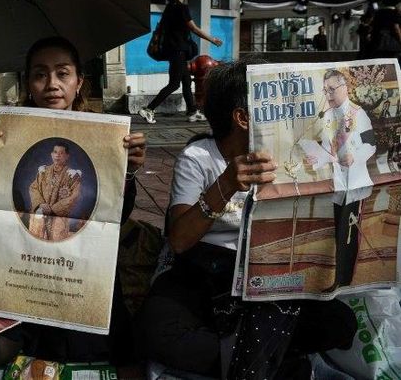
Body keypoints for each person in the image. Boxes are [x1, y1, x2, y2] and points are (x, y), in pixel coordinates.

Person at [135, 60, 356, 379]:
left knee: (340, 325)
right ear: (242, 117)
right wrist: (224, 185)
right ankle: (272, 360)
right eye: (274, 106)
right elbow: (180, 240)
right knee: (156, 330)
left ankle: (249, 353)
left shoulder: (295, 156)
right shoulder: (198, 157)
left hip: (272, 276)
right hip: (205, 273)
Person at [0, 36, 146, 365]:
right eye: (40, 74)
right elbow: (16, 198)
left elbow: (112, 214)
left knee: (89, 347)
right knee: (8, 350)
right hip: (25, 263)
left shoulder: (106, 139)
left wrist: (126, 172)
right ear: (28, 83)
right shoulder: (11, 137)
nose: (52, 84)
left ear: (79, 82)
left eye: (62, 73)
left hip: (79, 265)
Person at [304, 69, 375, 292]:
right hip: (335, 184)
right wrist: (315, 158)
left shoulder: (358, 114)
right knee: (335, 231)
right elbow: (328, 149)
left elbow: (371, 145)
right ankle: (334, 277)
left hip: (355, 184)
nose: (329, 95)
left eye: (332, 89)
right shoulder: (327, 117)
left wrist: (356, 156)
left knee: (349, 234)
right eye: (325, 90)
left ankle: (344, 281)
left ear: (345, 88)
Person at [138, 0, 222, 124]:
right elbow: (194, 28)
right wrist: (212, 39)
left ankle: (193, 111)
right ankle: (149, 109)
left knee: (186, 81)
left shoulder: (170, 7)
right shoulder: (181, 8)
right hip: (178, 51)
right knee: (174, 84)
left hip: (174, 50)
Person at [28, 141, 82, 241]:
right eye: (55, 152)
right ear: (51, 154)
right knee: (35, 243)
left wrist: (53, 209)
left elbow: (75, 196)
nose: (57, 155)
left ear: (67, 156)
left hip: (59, 218)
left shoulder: (73, 176)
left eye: (61, 153)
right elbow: (33, 188)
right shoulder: (43, 171)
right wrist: (41, 204)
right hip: (40, 215)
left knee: (56, 247)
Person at [369, 0, 401, 64]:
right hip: (392, 43)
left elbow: (372, 26)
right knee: (393, 63)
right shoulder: (395, 12)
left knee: (381, 63)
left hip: (377, 42)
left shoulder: (378, 12)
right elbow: (396, 28)